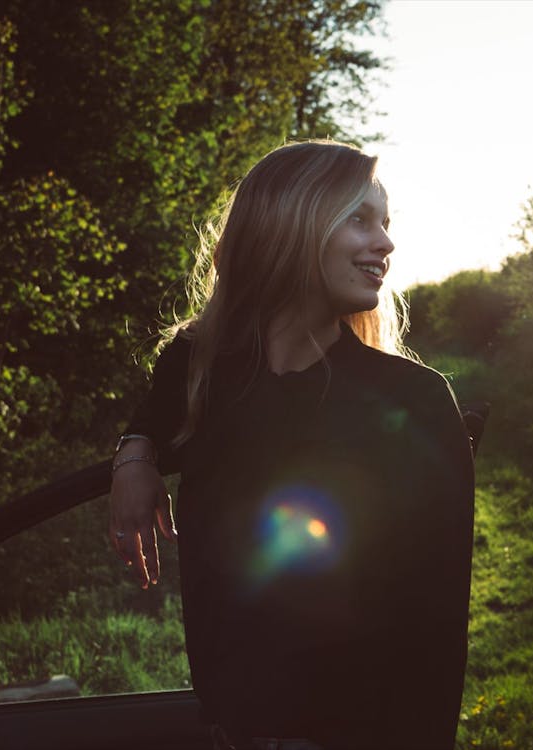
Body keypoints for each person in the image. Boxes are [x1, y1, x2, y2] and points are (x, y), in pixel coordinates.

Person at [108, 141, 475, 750]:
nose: (385, 243)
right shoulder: (202, 372)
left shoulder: (415, 402)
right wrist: (135, 454)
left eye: (385, 223)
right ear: (289, 225)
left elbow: (436, 637)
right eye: (360, 219)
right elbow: (152, 413)